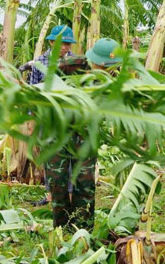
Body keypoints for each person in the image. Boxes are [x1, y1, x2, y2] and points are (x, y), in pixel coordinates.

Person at [44, 37, 122, 231]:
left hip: (86, 133)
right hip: (58, 130)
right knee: (57, 180)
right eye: (104, 67)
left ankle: (83, 229)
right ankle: (61, 227)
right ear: (95, 61)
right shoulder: (69, 65)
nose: (107, 71)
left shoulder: (114, 77)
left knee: (85, 181)